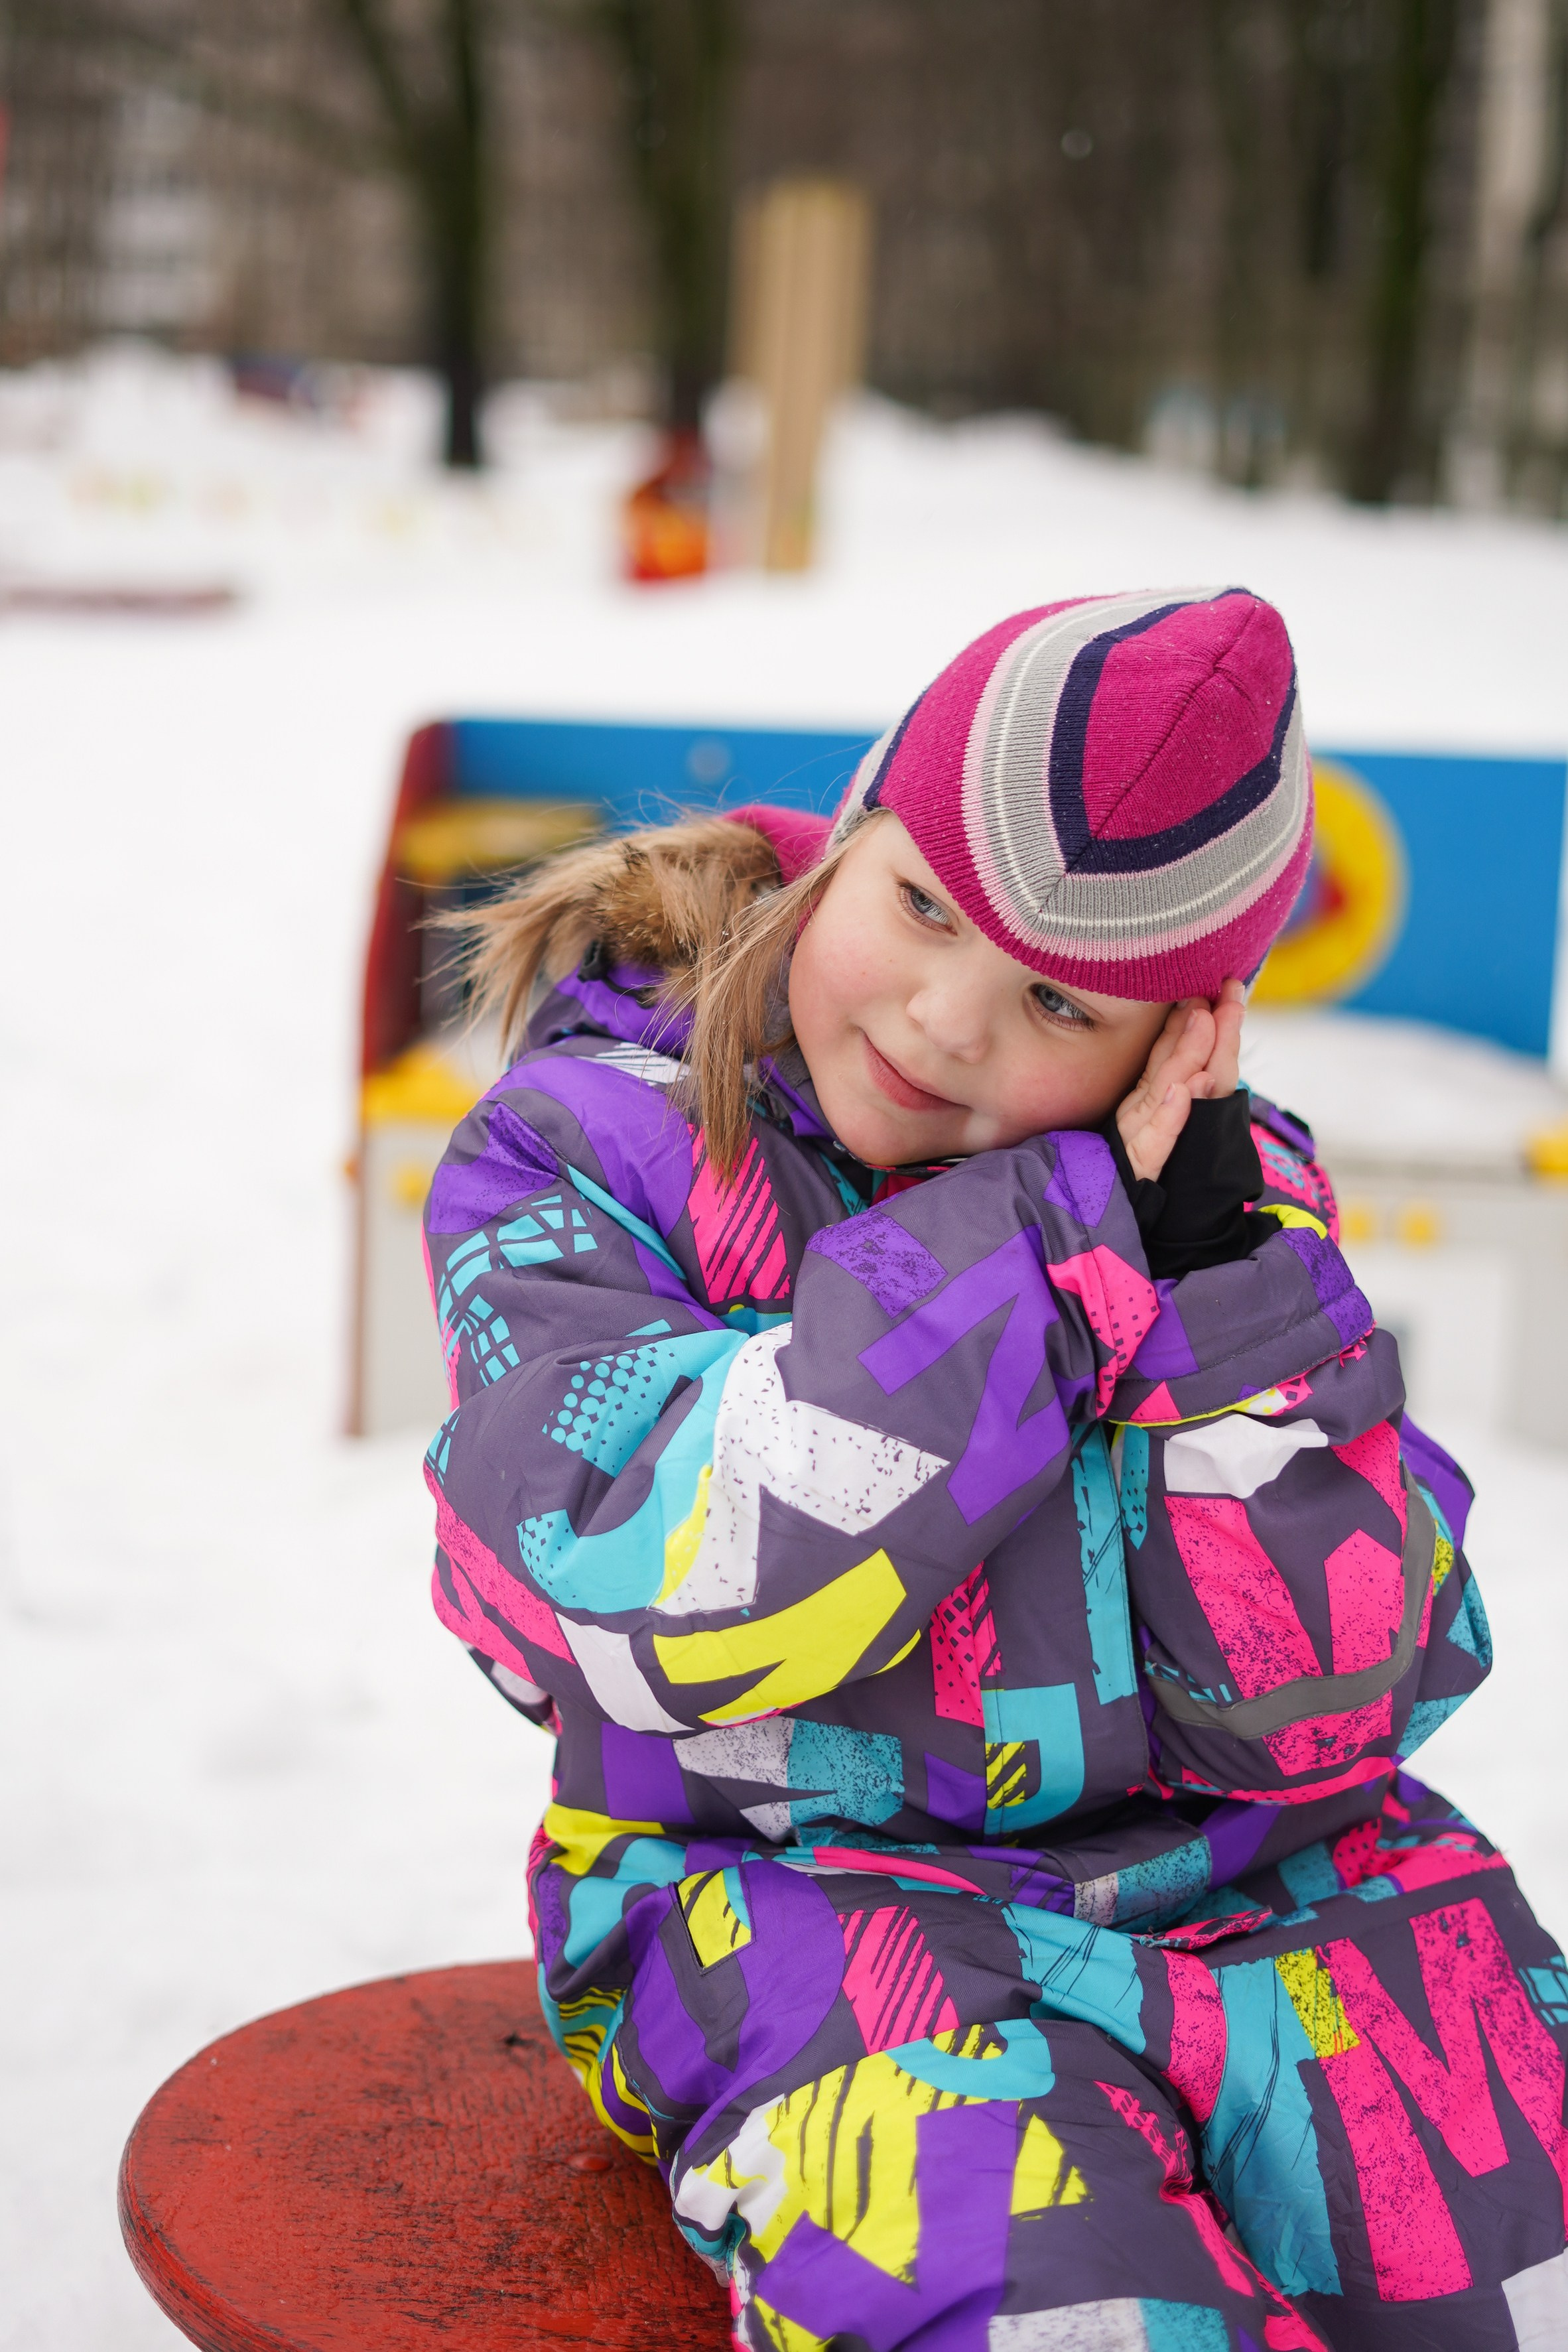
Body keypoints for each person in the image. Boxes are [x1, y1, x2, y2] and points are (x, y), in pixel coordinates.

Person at [421, 590, 1568, 2351]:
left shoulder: (1211, 1219)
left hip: (1278, 1883)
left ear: (1173, 1039)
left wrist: (1205, 1303)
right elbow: (656, 1587)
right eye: (921, 903)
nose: (950, 1018)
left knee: (1506, 2223)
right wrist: (1045, 1249)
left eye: (1054, 993)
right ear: (856, 821)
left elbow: (1327, 1705)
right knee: (1060, 2304)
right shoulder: (590, 1156)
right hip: (805, 1911)